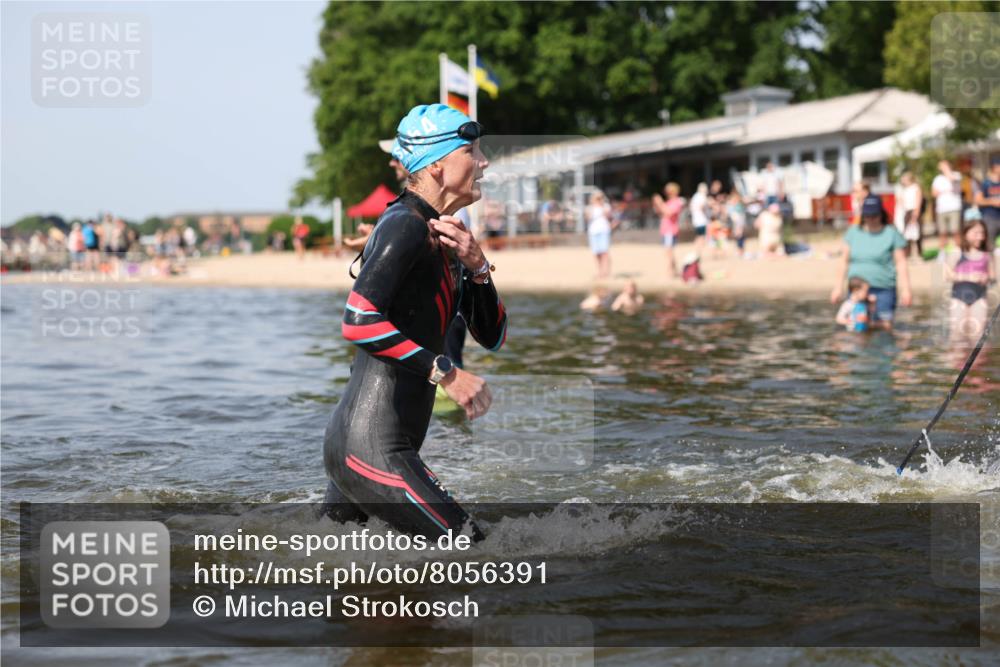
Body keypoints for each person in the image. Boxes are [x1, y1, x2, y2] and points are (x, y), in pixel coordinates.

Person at [322, 104, 505, 541]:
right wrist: (447, 374)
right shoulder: (404, 224)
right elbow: (358, 321)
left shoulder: (442, 234)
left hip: (369, 444)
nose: (484, 163)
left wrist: (478, 267)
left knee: (328, 569)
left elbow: (492, 336)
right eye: (472, 152)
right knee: (472, 554)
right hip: (371, 447)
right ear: (439, 165)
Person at [830, 195, 912, 331]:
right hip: (857, 290)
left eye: (874, 215)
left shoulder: (891, 233)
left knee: (884, 327)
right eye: (868, 216)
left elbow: (901, 262)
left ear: (881, 214)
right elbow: (843, 260)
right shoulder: (853, 233)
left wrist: (906, 290)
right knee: (856, 327)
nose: (871, 219)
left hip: (883, 289)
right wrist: (838, 287)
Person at [945, 218, 996, 339]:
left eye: (982, 233)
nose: (980, 237)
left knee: (978, 335)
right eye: (976, 233)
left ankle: (979, 357)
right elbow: (947, 275)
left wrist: (987, 278)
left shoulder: (987, 254)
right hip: (958, 298)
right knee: (957, 335)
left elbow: (993, 277)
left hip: (979, 298)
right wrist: (968, 277)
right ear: (966, 233)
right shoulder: (957, 252)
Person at [651, 182, 684, 277]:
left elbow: (669, 213)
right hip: (666, 230)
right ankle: (674, 271)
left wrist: (660, 202)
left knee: (668, 251)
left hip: (671, 230)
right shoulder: (669, 202)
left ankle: (670, 272)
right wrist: (657, 204)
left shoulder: (677, 202)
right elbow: (662, 213)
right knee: (669, 251)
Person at [932, 160, 963, 253]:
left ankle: (959, 251)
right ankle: (942, 252)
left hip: (954, 207)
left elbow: (952, 179)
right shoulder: (937, 179)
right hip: (941, 209)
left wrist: (947, 170)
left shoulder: (957, 174)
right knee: (942, 232)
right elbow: (934, 193)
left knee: (955, 230)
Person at [586, 190, 616, 279]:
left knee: (604, 252)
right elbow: (588, 217)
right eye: (597, 198)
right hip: (593, 231)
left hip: (603, 230)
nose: (599, 200)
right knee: (596, 253)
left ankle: (606, 272)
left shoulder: (606, 206)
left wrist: (602, 206)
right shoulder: (589, 208)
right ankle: (600, 271)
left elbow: (609, 216)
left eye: (600, 198)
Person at [975, 157, 1000, 251]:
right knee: (989, 245)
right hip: (990, 217)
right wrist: (993, 201)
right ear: (995, 167)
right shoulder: (985, 183)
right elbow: (978, 200)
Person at [898, 171, 923, 258]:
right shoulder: (904, 189)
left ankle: (919, 253)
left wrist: (916, 213)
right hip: (906, 211)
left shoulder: (916, 188)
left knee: (917, 233)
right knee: (907, 234)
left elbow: (918, 201)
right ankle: (908, 253)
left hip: (914, 210)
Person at [689, 183, 709, 253]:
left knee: (698, 236)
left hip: (695, 219)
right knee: (701, 236)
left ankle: (696, 250)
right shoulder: (702, 196)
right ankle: (698, 251)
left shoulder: (695, 196)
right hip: (702, 220)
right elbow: (702, 206)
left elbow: (691, 207)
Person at [726, 191, 747, 257]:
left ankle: (741, 251)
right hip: (737, 223)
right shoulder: (733, 206)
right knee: (738, 237)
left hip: (739, 223)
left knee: (740, 237)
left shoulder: (739, 206)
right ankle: (739, 250)